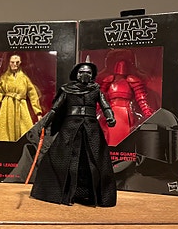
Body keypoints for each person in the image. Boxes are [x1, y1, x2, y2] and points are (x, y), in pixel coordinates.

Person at [30, 61, 117, 207]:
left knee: (95, 160)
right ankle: (62, 193)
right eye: (82, 72)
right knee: (62, 160)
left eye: (88, 72)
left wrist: (110, 117)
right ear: (76, 74)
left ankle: (90, 195)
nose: (85, 74)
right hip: (70, 128)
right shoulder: (67, 90)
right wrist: (44, 124)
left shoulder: (96, 90)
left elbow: (105, 106)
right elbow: (55, 109)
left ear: (92, 75)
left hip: (91, 129)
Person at [97, 57, 154, 145]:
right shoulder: (109, 80)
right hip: (111, 112)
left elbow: (141, 98)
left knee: (124, 138)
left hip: (125, 113)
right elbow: (100, 97)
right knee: (110, 137)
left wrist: (147, 112)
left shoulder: (132, 80)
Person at [0, 54, 42, 141]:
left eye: (17, 62)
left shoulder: (25, 79)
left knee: (24, 129)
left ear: (20, 63)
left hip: (21, 106)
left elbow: (33, 94)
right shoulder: (4, 78)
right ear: (9, 63)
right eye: (12, 62)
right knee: (4, 132)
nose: (15, 64)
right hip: (7, 107)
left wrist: (38, 112)